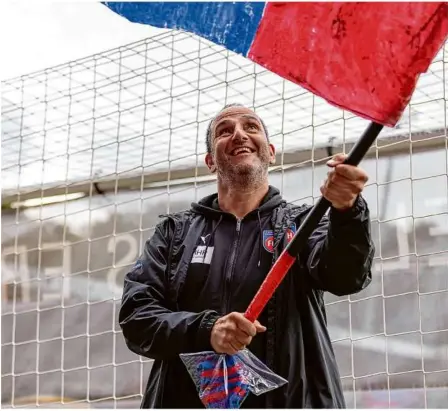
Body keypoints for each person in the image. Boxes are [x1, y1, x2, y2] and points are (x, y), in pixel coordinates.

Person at [119, 104, 375, 408]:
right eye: (224, 130)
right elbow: (137, 317)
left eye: (251, 127)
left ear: (270, 151)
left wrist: (347, 211)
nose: (239, 134)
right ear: (210, 161)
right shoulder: (174, 232)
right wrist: (207, 329)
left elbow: (347, 277)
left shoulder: (305, 224)